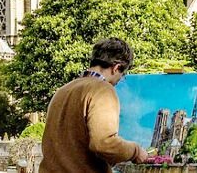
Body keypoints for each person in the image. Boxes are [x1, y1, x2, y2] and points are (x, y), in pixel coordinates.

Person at [40, 38, 149, 173]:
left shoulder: (62, 90)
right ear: (116, 67)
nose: (120, 80)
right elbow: (104, 143)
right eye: (123, 75)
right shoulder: (103, 90)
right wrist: (135, 151)